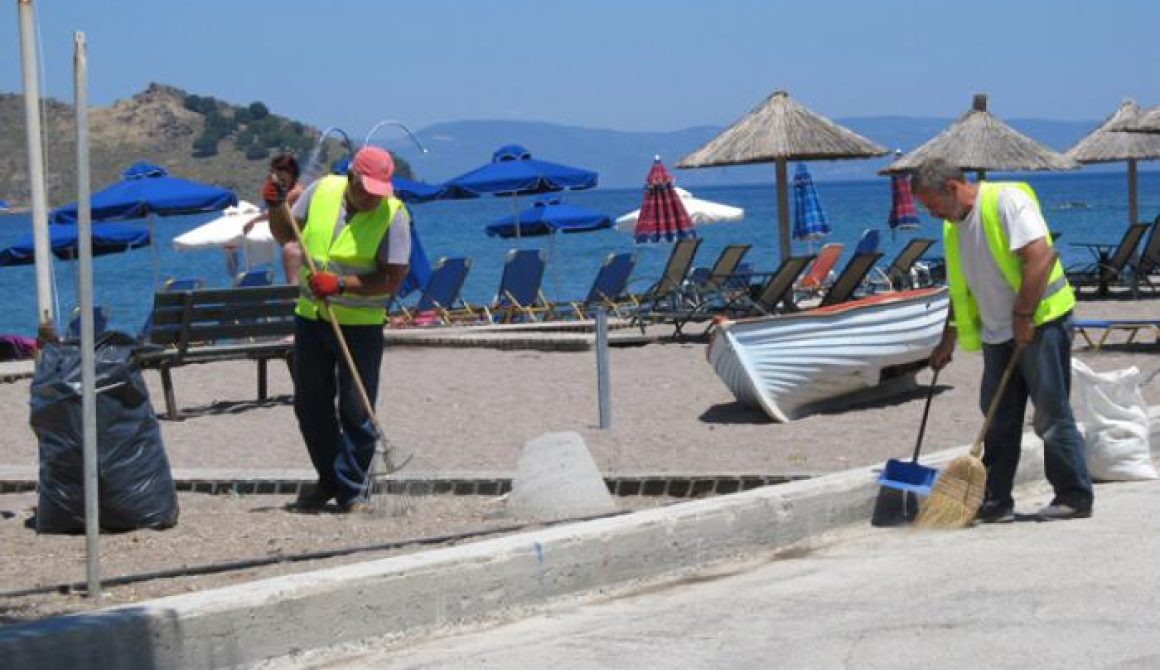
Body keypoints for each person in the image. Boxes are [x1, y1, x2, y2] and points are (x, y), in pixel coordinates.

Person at [911, 158, 1093, 523]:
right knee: (997, 418)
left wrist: (1024, 317)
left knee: (1051, 414)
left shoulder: (1005, 201)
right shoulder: (953, 228)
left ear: (952, 187)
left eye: (932, 205)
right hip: (997, 334)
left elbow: (1041, 259)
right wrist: (948, 338)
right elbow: (962, 288)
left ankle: (1073, 496)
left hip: (1042, 323)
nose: (931, 214)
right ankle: (996, 500)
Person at [265, 146, 411, 513]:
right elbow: (286, 232)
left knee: (356, 410)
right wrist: (274, 206)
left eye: (379, 192)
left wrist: (342, 284)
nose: (372, 200)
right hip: (311, 316)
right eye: (367, 192)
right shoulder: (321, 191)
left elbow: (393, 278)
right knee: (309, 406)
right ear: (352, 179)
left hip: (360, 325)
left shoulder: (394, 215)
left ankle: (353, 490)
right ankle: (330, 477)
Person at [242, 154, 306, 284]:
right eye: (274, 171)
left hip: (298, 244)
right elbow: (273, 211)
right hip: (288, 242)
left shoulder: (296, 192)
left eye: (282, 173)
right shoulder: (284, 192)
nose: (277, 176)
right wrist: (254, 220)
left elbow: (283, 208)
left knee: (294, 280)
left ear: (291, 174)